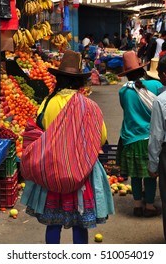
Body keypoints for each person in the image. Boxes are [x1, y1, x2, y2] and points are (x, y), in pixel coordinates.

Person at [20, 50, 114, 244]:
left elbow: (39, 132)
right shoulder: (89, 106)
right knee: (80, 222)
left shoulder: (47, 103)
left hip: (52, 170)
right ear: (80, 82)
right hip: (82, 172)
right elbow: (101, 137)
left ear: (59, 79)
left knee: (53, 222)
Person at [117, 50, 163, 218]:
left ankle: (137, 205)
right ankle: (149, 206)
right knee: (151, 175)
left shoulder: (123, 91)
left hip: (130, 138)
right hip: (149, 138)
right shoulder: (155, 86)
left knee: (135, 174)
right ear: (143, 70)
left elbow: (126, 109)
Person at [148, 55, 166, 241]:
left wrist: (153, 165)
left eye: (160, 75)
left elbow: (156, 136)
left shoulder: (161, 101)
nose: (160, 79)